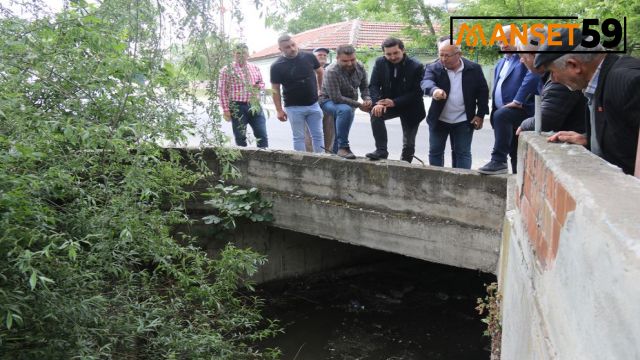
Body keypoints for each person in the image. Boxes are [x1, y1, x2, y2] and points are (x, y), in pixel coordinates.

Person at [534, 27, 640, 175]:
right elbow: (626, 137)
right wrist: (590, 140)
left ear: (574, 65)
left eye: (553, 72)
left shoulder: (627, 81)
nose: (554, 79)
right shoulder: (600, 80)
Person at [478, 25, 539, 175]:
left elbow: (533, 75)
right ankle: (516, 179)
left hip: (522, 110)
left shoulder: (524, 58)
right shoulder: (501, 62)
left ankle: (498, 161)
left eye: (507, 39)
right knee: (513, 150)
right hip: (504, 116)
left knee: (516, 151)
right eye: (499, 42)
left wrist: (518, 100)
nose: (503, 44)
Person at [421, 36, 489, 169]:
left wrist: (480, 115)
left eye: (447, 55)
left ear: (459, 54)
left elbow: (483, 92)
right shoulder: (433, 67)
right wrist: (434, 91)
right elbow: (426, 82)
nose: (443, 59)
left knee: (462, 153)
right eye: (441, 55)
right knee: (435, 152)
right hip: (439, 118)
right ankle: (436, 180)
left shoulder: (474, 69)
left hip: (464, 120)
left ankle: (462, 183)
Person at [515, 28, 586, 135]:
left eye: (522, 56)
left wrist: (523, 125)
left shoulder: (561, 79)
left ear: (535, 55)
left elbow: (544, 121)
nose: (521, 60)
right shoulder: (553, 76)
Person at [366, 37, 426, 162]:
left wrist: (395, 102)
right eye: (388, 54)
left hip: (411, 107)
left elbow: (417, 92)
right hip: (387, 104)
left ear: (403, 50)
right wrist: (378, 102)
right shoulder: (379, 63)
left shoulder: (416, 66)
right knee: (375, 113)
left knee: (408, 144)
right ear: (384, 53)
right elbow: (374, 85)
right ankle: (381, 150)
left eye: (395, 53)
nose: (392, 57)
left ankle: (405, 164)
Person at [270, 34, 324, 152]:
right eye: (287, 47)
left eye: (293, 45)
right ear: (281, 49)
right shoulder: (276, 66)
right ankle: (301, 164)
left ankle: (321, 160)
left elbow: (320, 72)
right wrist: (279, 110)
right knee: (299, 138)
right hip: (293, 107)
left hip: (313, 105)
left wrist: (320, 89)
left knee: (318, 135)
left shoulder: (309, 57)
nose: (292, 49)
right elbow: (275, 89)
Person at [319, 44, 372, 159]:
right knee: (345, 110)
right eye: (345, 61)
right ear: (337, 58)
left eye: (352, 59)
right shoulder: (331, 71)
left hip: (350, 103)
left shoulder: (360, 67)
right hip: (328, 101)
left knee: (342, 132)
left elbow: (365, 87)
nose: (349, 63)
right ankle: (344, 147)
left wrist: (367, 99)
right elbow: (336, 98)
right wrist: (359, 105)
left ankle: (336, 155)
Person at [218, 43, 268, 148]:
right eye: (238, 53)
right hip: (237, 107)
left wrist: (260, 90)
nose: (241, 55)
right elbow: (222, 91)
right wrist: (226, 110)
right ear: (234, 54)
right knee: (240, 137)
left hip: (255, 105)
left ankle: (264, 158)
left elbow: (262, 83)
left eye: (244, 53)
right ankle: (242, 161)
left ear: (248, 54)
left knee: (262, 135)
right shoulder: (226, 70)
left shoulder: (254, 68)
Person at [305, 47, 334, 152]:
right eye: (319, 55)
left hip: (327, 104)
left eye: (325, 55)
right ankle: (309, 155)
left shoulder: (330, 71)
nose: (322, 57)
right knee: (310, 132)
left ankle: (327, 154)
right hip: (311, 104)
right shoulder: (307, 71)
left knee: (329, 130)